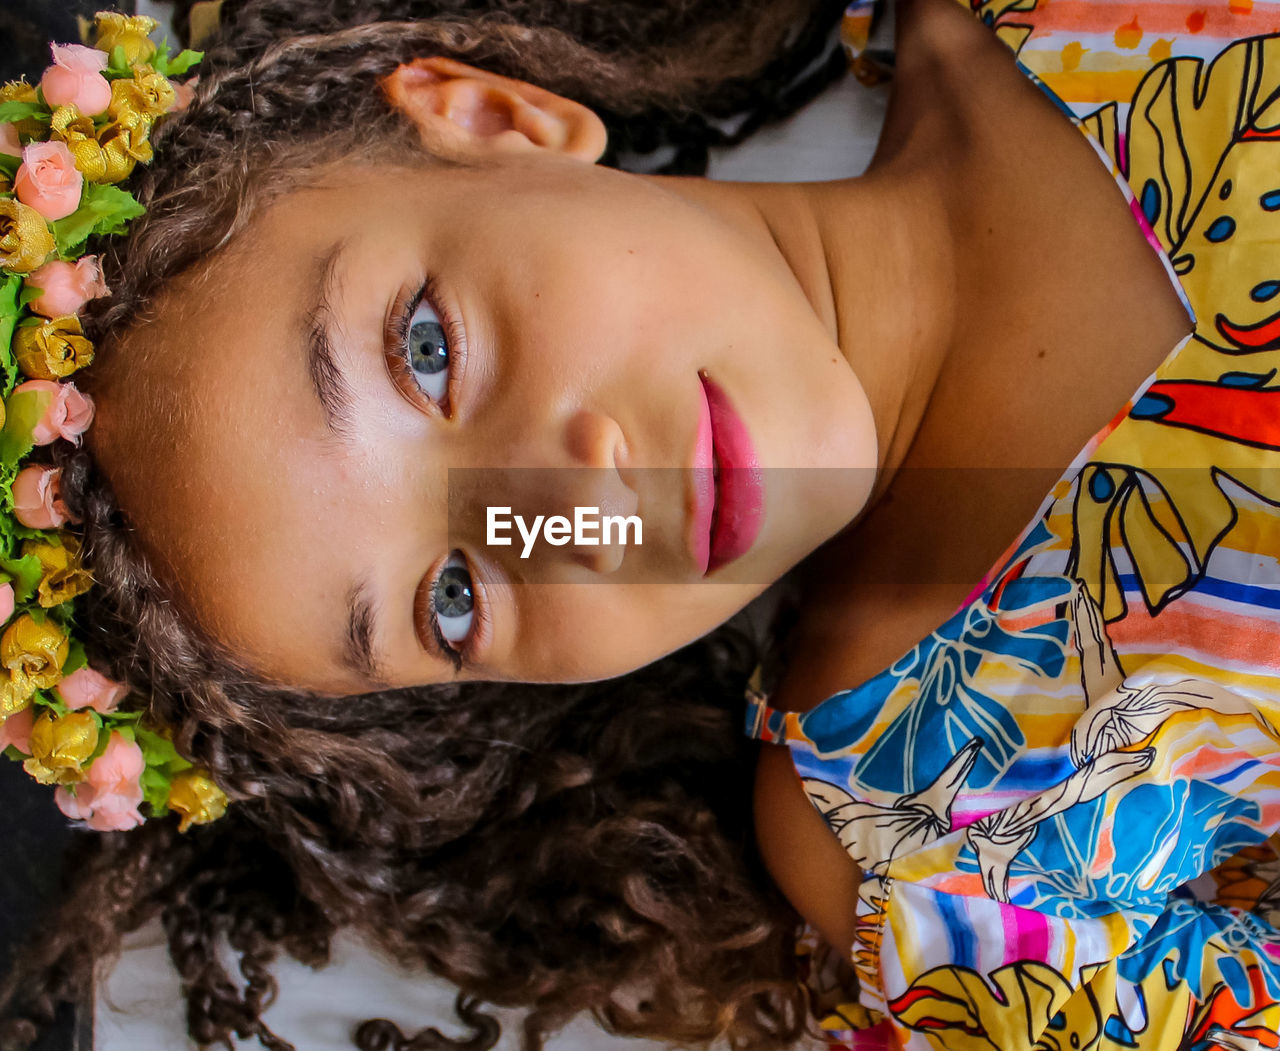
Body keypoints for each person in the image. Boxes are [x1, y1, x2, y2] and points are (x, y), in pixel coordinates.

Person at [1, 1, 1279, 1050]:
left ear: (492, 120)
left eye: (427, 351)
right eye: (454, 593)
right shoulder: (921, 830)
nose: (579, 506)